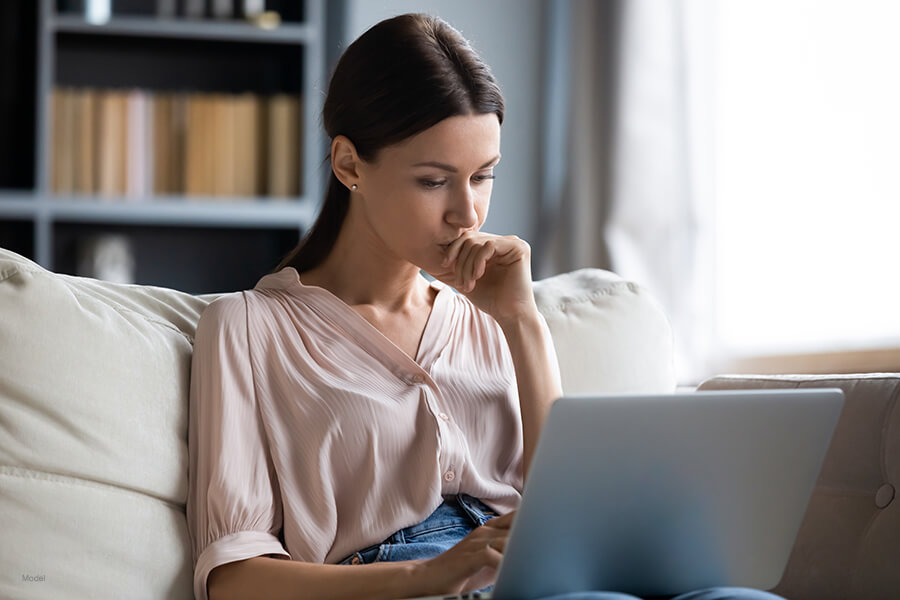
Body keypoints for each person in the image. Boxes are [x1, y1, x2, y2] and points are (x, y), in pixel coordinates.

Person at [186, 13, 786, 600]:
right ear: (348, 164)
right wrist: (434, 574)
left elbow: (569, 513)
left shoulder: (491, 315)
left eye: (483, 176)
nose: (467, 213)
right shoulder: (247, 328)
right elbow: (235, 578)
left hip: (532, 577)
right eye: (433, 180)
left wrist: (522, 323)